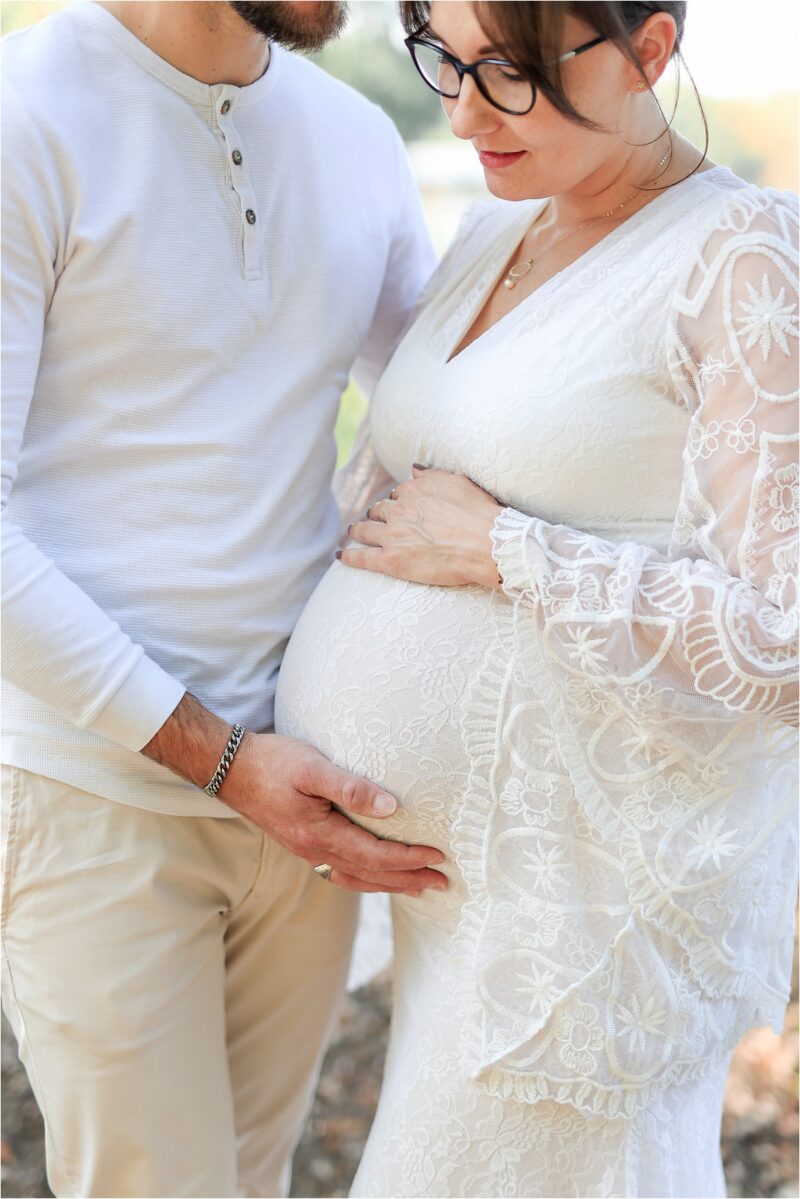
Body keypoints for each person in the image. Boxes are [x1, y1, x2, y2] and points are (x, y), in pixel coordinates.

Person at [274, 1, 799, 1194]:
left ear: (650, 51)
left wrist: (511, 550)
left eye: (506, 74)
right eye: (444, 63)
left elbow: (786, 640)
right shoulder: (492, 229)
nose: (460, 111)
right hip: (464, 898)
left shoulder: (739, 255)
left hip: (578, 932)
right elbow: (393, 501)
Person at [0, 2, 445, 1195]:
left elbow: (456, 413)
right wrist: (224, 760)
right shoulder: (23, 114)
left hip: (305, 787)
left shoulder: (355, 135)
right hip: (97, 788)